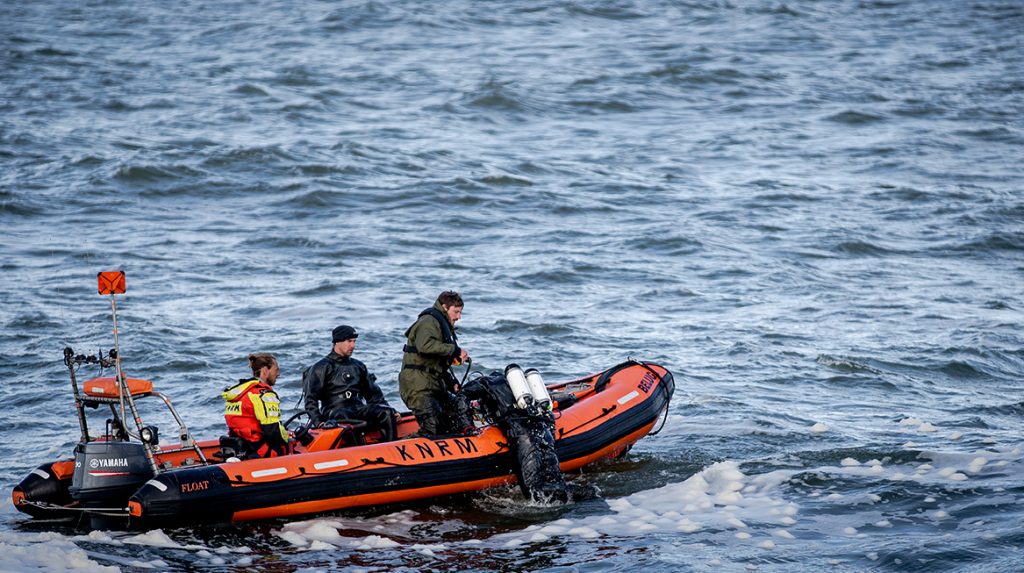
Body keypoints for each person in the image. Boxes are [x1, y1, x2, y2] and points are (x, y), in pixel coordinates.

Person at [301, 325, 399, 442]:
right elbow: (310, 400)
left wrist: (390, 409)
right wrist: (318, 422)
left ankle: (391, 447)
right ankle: (356, 451)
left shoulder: (358, 366)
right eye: (349, 341)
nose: (353, 346)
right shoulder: (320, 368)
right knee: (345, 416)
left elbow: (373, 395)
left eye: (354, 341)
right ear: (337, 342)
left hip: (357, 407)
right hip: (335, 411)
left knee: (386, 412)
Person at [399, 290, 474, 436]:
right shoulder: (429, 321)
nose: (458, 317)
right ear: (445, 307)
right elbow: (425, 346)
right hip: (418, 386)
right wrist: (455, 350)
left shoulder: (441, 324)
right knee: (431, 429)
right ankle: (400, 449)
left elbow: (436, 364)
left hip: (433, 384)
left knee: (454, 417)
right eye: (456, 312)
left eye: (460, 313)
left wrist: (451, 382)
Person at [222, 353, 291, 458]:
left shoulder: (239, 393)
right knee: (286, 447)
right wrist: (288, 438)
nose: (278, 374)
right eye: (276, 370)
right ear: (265, 371)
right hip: (259, 451)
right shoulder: (263, 394)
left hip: (241, 446)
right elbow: (271, 431)